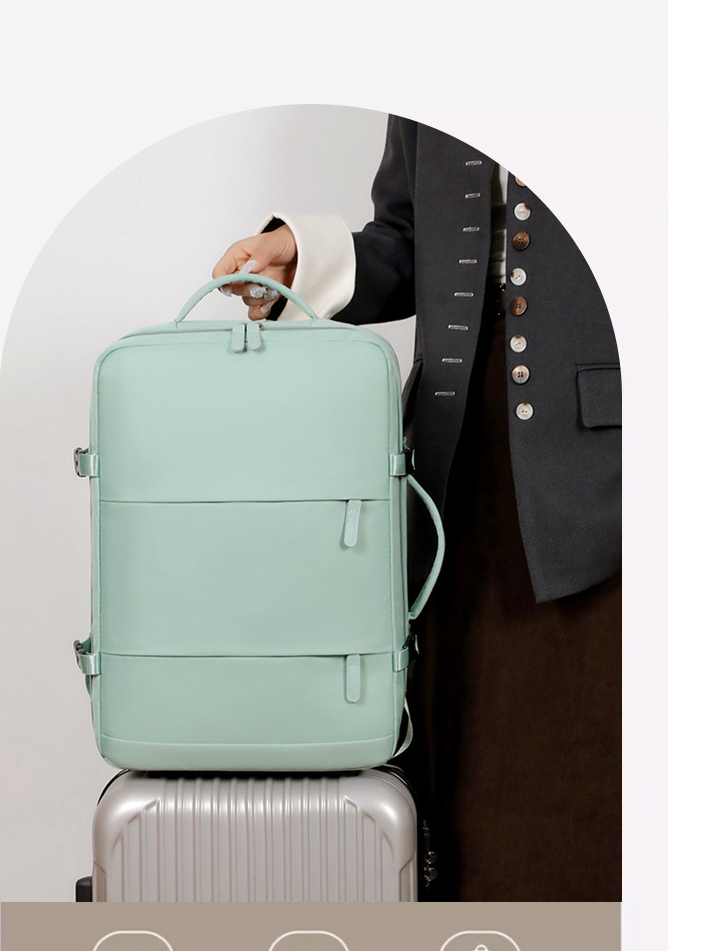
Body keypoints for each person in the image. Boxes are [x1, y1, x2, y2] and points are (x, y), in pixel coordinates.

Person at [213, 114, 622, 902]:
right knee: (463, 764)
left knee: (599, 760)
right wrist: (304, 255)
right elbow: (405, 240)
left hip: (613, 454)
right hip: (458, 449)